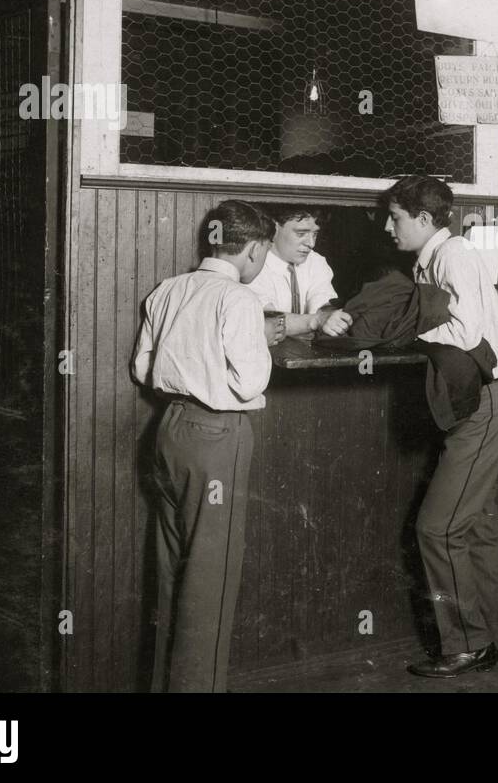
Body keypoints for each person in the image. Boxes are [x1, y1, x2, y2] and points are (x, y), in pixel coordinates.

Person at [131, 200, 277, 692]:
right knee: (211, 579)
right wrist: (262, 339)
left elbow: (142, 370)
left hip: (168, 430)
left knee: (174, 569)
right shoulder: (238, 300)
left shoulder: (168, 290)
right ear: (253, 249)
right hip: (217, 437)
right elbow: (250, 380)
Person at [384, 176, 498, 678]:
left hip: (484, 402)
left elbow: (466, 331)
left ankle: (467, 644)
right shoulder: (435, 258)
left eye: (395, 217)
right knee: (477, 524)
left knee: (436, 529)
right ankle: (497, 637)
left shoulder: (453, 255)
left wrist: (398, 330)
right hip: (477, 401)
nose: (387, 226)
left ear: (424, 220)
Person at [246, 205, 352, 337]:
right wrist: (316, 321)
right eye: (301, 234)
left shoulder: (316, 261)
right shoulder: (252, 264)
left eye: (315, 234)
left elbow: (323, 303)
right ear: (273, 229)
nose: (311, 244)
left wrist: (329, 315)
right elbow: (268, 321)